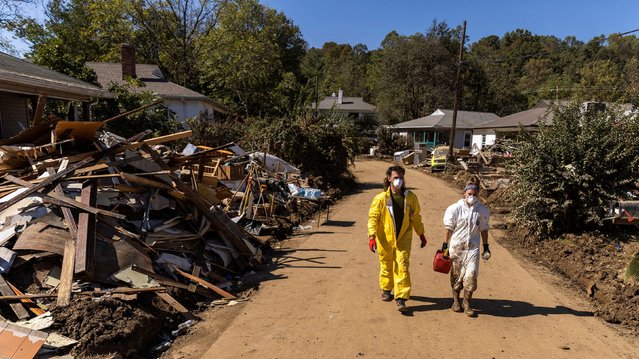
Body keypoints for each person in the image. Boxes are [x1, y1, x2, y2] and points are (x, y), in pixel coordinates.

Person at [367, 165, 427, 313]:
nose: (398, 180)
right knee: (386, 264)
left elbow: (416, 217)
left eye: (401, 177)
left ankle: (401, 298)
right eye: (395, 178)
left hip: (403, 237)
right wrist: (371, 236)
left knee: (402, 265)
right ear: (389, 179)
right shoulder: (381, 198)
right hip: (385, 237)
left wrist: (421, 233)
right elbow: (373, 218)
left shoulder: (411, 197)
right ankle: (386, 289)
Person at [442, 183, 491, 317]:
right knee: (456, 276)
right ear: (464, 193)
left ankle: (467, 303)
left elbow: (484, 229)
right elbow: (449, 228)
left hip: (473, 248)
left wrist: (486, 247)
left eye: (475, 194)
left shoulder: (482, 210)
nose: (472, 196)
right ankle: (456, 301)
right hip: (457, 247)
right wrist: (445, 244)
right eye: (470, 194)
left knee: (471, 275)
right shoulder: (455, 209)